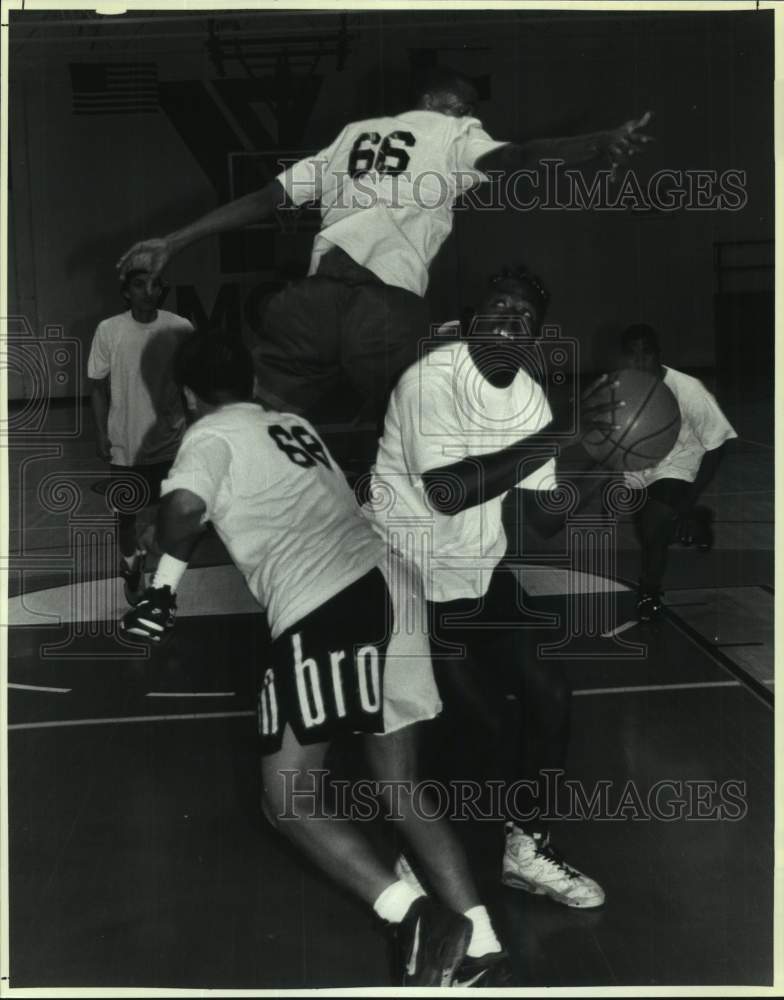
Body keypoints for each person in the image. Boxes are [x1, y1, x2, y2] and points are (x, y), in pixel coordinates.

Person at [120, 331, 512, 988]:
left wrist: (158, 588)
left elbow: (186, 508)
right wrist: (163, 550)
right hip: (392, 588)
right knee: (401, 787)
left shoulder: (208, 437)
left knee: (289, 799)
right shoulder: (289, 422)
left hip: (330, 604)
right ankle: (482, 944)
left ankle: (416, 916)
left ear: (185, 395)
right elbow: (219, 508)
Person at [116, 67, 652, 472]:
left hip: (310, 307)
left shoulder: (354, 134)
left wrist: (175, 239)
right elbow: (521, 156)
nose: (471, 117)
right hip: (382, 310)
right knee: (432, 444)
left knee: (246, 425)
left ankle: (174, 512)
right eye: (464, 108)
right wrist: (596, 144)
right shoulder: (454, 135)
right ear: (439, 104)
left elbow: (265, 197)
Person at [366, 265, 618, 910]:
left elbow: (539, 518)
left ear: (536, 334)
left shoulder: (528, 397)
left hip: (475, 569)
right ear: (474, 318)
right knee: (478, 722)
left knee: (550, 693)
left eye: (523, 314)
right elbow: (448, 491)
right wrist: (560, 434)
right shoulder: (431, 380)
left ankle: (526, 845)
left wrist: (599, 460)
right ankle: (421, 853)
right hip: (404, 570)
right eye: (497, 306)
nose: (508, 319)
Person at [618, 324, 737, 621]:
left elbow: (717, 446)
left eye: (646, 352)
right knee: (648, 534)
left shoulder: (688, 389)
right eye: (632, 354)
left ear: (659, 355)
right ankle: (697, 522)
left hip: (680, 463)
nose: (639, 360)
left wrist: (688, 499)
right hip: (639, 467)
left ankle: (649, 592)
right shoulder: (620, 390)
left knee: (653, 523)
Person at [87, 267, 193, 604]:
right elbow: (97, 387)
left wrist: (197, 430)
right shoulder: (109, 329)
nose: (149, 290)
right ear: (126, 292)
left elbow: (193, 383)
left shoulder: (180, 327)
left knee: (174, 522)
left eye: (155, 285)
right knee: (126, 522)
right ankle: (132, 567)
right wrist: (102, 434)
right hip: (126, 446)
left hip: (171, 444)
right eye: (139, 284)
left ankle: (162, 587)